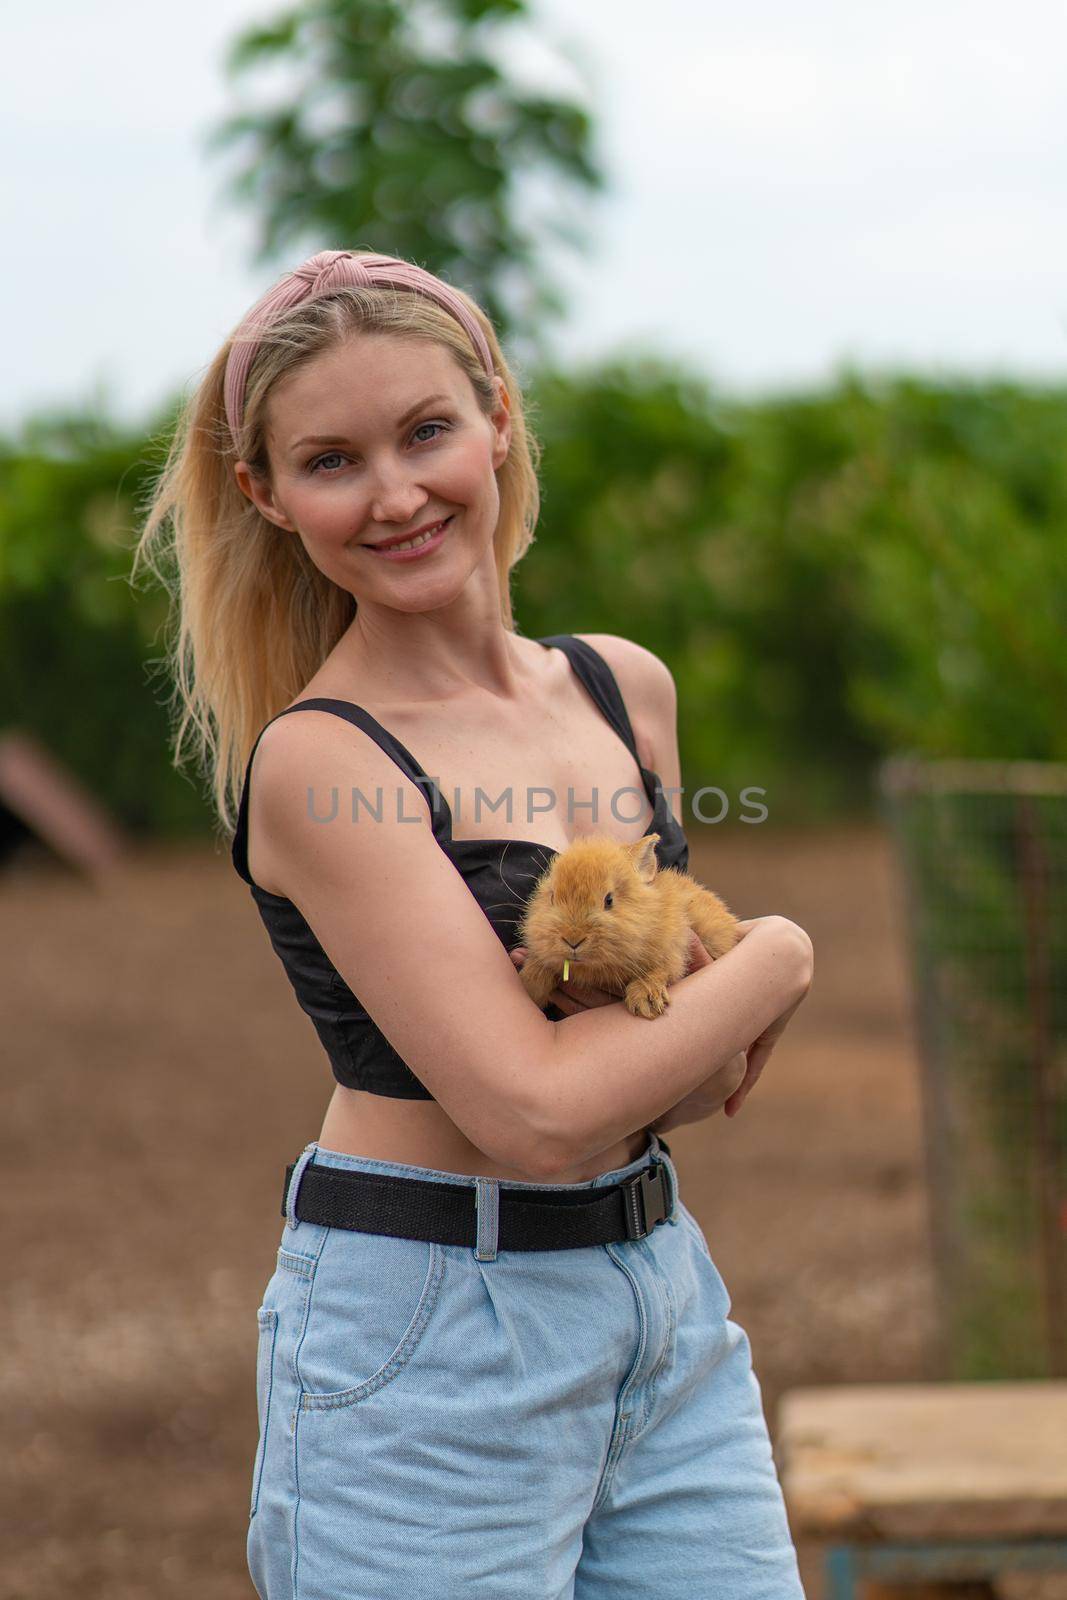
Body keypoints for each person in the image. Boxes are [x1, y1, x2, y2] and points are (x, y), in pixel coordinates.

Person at [135, 249, 814, 1598]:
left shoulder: (625, 690)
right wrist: (781, 959)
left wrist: (675, 1039)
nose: (396, 496)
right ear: (267, 497)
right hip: (433, 1336)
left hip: (660, 1302)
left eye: (427, 431)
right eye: (332, 462)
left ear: (498, 414)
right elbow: (539, 1117)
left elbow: (662, 1071)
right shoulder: (326, 761)